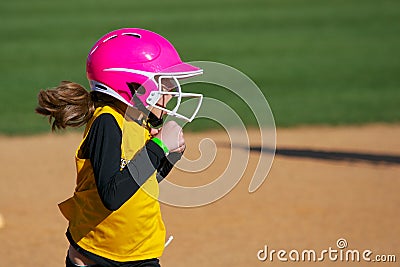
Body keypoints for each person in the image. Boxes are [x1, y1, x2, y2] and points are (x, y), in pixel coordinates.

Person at [35, 28, 203, 267]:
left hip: (139, 252)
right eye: (163, 85)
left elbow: (139, 183)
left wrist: (169, 156)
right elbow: (113, 196)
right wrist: (157, 147)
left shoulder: (138, 120)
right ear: (133, 86)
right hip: (98, 255)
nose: (170, 94)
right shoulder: (107, 122)